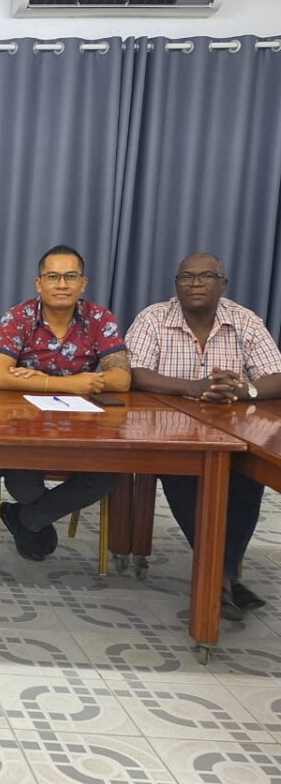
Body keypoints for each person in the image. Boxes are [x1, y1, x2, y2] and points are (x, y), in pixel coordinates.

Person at [126, 252, 281, 620]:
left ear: (222, 284)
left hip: (234, 431)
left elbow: (276, 376)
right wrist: (192, 387)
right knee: (185, 478)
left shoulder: (245, 321)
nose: (195, 283)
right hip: (170, 435)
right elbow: (135, 372)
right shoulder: (153, 318)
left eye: (206, 276)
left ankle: (219, 577)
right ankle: (223, 578)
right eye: (187, 277)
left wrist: (244, 391)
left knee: (247, 481)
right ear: (176, 284)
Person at [0, 244, 131, 561]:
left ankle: (25, 518)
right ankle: (34, 517)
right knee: (22, 485)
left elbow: (121, 379)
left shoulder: (99, 318)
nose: (62, 284)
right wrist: (71, 384)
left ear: (83, 283)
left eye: (70, 276)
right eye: (53, 277)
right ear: (39, 283)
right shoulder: (19, 317)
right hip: (24, 426)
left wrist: (37, 379)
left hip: (83, 427)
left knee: (109, 476)